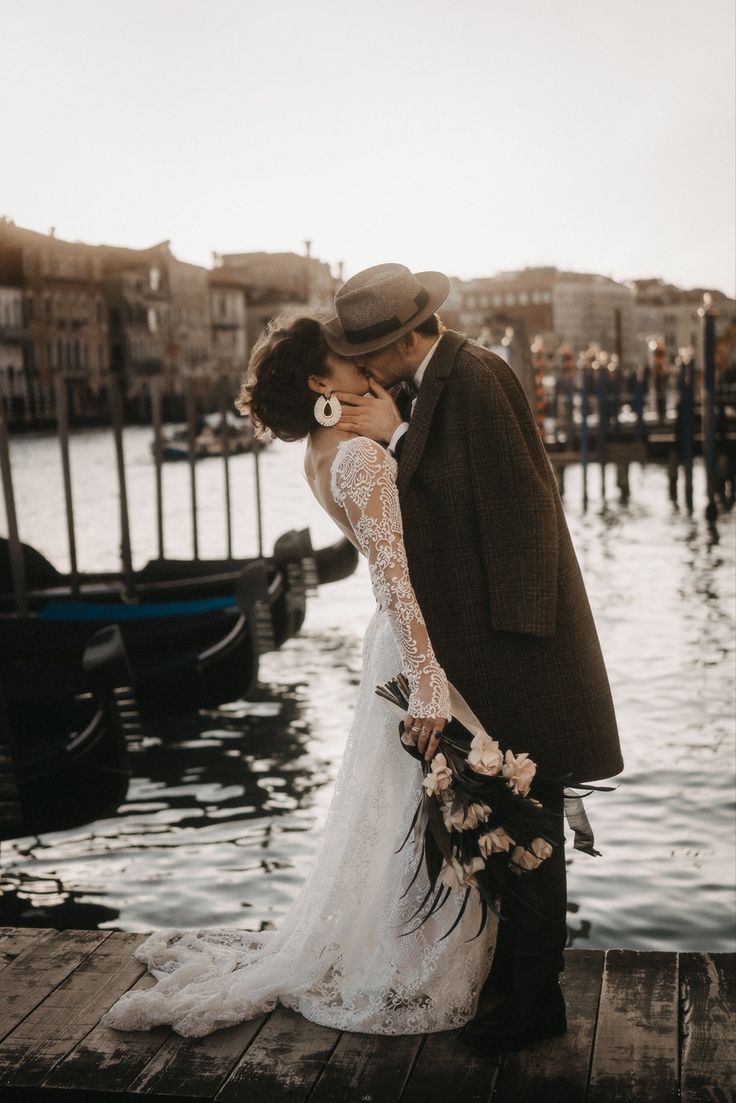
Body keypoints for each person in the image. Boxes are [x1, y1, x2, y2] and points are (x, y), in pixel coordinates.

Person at [102, 312, 496, 1040]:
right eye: (347, 357)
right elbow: (395, 579)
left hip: (397, 645)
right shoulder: (361, 459)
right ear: (321, 380)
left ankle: (409, 943)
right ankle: (419, 958)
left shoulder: (326, 451)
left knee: (403, 811)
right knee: (419, 808)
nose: (366, 363)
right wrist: (431, 680)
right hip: (415, 645)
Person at [323, 263, 623, 1052]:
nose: (361, 367)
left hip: (517, 647)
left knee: (531, 823)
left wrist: (510, 651)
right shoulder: (436, 382)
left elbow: (524, 507)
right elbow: (450, 497)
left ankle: (535, 1003)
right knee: (507, 821)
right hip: (487, 645)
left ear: (403, 338)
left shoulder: (477, 376)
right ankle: (514, 986)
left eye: (368, 349)